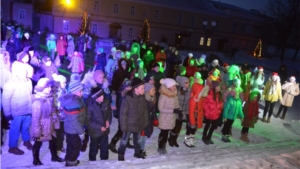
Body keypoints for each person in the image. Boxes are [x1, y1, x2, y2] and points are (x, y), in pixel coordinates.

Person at [2, 60, 33, 155]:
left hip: (27, 110)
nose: (26, 73)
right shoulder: (10, 84)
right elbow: (5, 100)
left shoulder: (28, 81)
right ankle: (12, 146)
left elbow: (29, 95)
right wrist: (7, 114)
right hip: (17, 112)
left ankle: (26, 140)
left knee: (26, 127)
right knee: (15, 130)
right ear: (17, 71)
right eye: (24, 70)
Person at [31, 78, 65, 165]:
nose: (50, 89)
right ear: (42, 88)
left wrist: (56, 115)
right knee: (38, 143)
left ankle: (54, 156)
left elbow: (52, 110)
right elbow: (35, 119)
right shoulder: (37, 102)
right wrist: (37, 132)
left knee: (53, 141)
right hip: (42, 126)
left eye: (50, 87)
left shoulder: (49, 98)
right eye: (48, 87)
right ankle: (36, 160)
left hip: (50, 124)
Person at [118, 78, 148, 161]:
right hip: (128, 124)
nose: (144, 90)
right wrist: (123, 127)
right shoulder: (128, 98)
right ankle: (121, 153)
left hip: (138, 123)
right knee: (124, 141)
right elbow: (123, 114)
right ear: (136, 89)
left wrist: (145, 121)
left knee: (137, 140)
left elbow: (145, 110)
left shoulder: (142, 97)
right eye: (142, 88)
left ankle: (137, 153)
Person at [60, 79, 85, 166]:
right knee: (75, 147)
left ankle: (68, 158)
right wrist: (81, 133)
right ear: (76, 91)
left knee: (71, 145)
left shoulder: (72, 100)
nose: (82, 92)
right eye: (81, 91)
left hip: (69, 128)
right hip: (74, 130)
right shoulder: (74, 103)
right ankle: (71, 161)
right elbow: (75, 121)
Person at [86, 87, 112, 161]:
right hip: (95, 132)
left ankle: (104, 160)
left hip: (105, 130)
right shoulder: (90, 106)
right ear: (95, 98)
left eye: (103, 95)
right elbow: (88, 121)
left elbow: (109, 113)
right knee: (94, 148)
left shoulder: (106, 102)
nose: (102, 97)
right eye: (100, 96)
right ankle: (92, 160)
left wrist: (108, 120)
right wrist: (99, 127)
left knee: (105, 147)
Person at [157, 78, 180, 154]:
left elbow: (176, 105)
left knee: (167, 134)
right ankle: (161, 147)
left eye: (175, 86)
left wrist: (178, 111)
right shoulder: (163, 96)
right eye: (173, 86)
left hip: (171, 118)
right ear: (168, 87)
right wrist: (173, 111)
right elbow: (161, 108)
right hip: (164, 118)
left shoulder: (174, 94)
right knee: (164, 134)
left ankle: (165, 145)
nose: (174, 88)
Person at [185, 77, 205, 147]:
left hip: (197, 116)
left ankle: (191, 139)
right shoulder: (193, 100)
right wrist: (192, 122)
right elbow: (191, 112)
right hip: (192, 117)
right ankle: (186, 139)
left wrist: (201, 116)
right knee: (190, 128)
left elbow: (201, 108)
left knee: (194, 129)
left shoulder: (200, 99)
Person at [140, 83, 158, 156]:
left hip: (148, 121)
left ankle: (141, 149)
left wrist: (155, 118)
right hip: (143, 123)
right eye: (153, 90)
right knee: (142, 137)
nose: (155, 91)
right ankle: (140, 150)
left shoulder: (152, 99)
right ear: (147, 91)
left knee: (144, 137)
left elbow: (153, 111)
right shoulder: (143, 100)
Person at [173, 76, 190, 147]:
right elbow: (175, 102)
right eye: (186, 83)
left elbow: (187, 103)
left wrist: (187, 113)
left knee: (179, 127)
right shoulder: (177, 91)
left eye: (188, 83)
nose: (188, 84)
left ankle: (175, 140)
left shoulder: (189, 91)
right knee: (174, 127)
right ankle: (171, 139)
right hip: (177, 111)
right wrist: (177, 110)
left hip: (183, 112)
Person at [52, 74, 68, 152]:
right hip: (58, 116)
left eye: (65, 83)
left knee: (62, 132)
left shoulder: (64, 90)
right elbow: (55, 104)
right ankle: (57, 146)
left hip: (64, 115)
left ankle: (60, 145)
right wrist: (60, 107)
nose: (65, 84)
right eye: (63, 83)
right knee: (58, 132)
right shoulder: (55, 92)